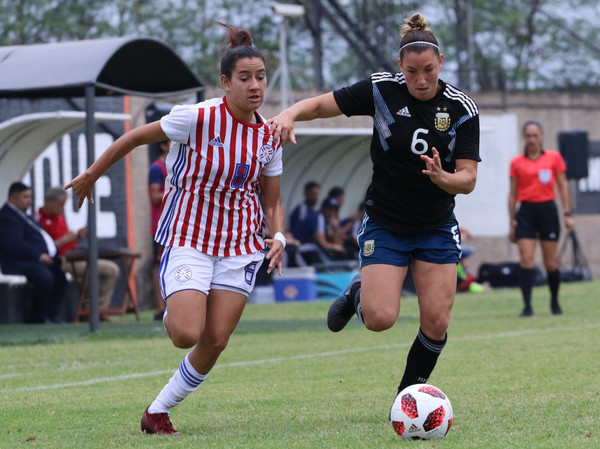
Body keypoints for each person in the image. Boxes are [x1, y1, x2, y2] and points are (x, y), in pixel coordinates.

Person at [65, 22, 285, 435]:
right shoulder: (195, 118)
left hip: (240, 246)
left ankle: (158, 411)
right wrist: (92, 174)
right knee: (186, 333)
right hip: (189, 239)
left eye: (260, 77)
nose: (255, 85)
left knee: (215, 340)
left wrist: (278, 236)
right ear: (225, 83)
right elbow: (132, 138)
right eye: (245, 78)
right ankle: (175, 306)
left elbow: (272, 199)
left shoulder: (269, 136)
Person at [269, 13, 480, 404]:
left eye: (429, 70)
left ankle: (407, 399)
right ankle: (357, 293)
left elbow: (467, 178)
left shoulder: (461, 108)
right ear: (400, 65)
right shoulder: (382, 90)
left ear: (441, 63)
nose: (421, 79)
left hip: (435, 225)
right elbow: (321, 105)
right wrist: (289, 113)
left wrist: (441, 178)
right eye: (413, 70)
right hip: (385, 223)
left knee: (436, 322)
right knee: (381, 319)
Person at [508, 120, 574, 316]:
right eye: (528, 135)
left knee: (551, 263)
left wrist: (567, 214)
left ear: (542, 136)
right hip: (526, 211)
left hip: (548, 211)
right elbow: (512, 194)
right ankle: (527, 306)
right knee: (526, 260)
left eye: (535, 135)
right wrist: (511, 222)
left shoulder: (554, 158)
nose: (532, 139)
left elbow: (563, 188)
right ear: (523, 137)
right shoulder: (516, 162)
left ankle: (555, 302)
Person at [37, 187, 120, 320]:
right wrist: (65, 240)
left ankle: (99, 310)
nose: (62, 209)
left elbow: (67, 241)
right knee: (94, 272)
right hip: (61, 260)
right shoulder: (39, 220)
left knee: (111, 270)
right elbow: (44, 247)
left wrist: (76, 237)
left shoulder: (59, 218)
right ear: (51, 201)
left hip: (76, 256)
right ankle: (95, 313)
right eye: (60, 205)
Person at [0, 182, 67, 323]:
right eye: (25, 197)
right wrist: (38, 255)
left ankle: (51, 316)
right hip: (16, 262)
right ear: (13, 198)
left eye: (30, 197)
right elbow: (15, 245)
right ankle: (38, 317)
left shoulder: (25, 217)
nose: (29, 201)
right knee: (44, 276)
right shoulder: (7, 217)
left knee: (60, 277)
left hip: (35, 260)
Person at [148, 139, 169, 320]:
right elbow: (154, 197)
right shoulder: (156, 168)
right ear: (163, 145)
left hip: (178, 224)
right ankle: (159, 307)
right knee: (159, 264)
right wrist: (178, 190)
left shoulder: (179, 163)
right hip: (161, 226)